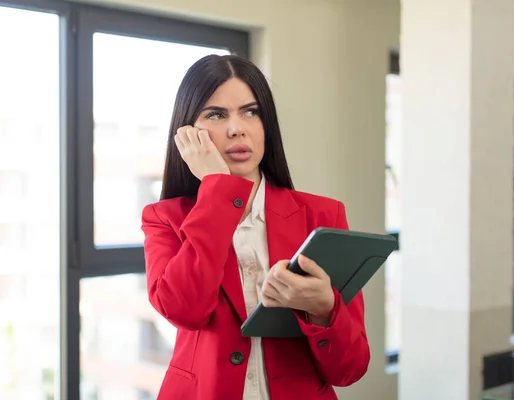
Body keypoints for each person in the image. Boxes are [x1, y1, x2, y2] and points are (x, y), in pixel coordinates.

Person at [141, 54, 369, 400]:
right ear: (187, 133)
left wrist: (325, 309)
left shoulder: (323, 215)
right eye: (216, 115)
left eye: (251, 111)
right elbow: (185, 309)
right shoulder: (164, 218)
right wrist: (217, 190)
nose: (238, 128)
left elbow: (350, 369)